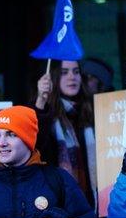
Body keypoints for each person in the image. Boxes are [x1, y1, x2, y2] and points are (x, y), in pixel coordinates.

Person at [32, 60, 97, 206]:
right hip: (59, 205)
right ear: (52, 77)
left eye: (76, 71)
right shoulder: (43, 113)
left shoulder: (93, 112)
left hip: (92, 206)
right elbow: (36, 148)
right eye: (64, 72)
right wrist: (41, 102)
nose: (72, 77)